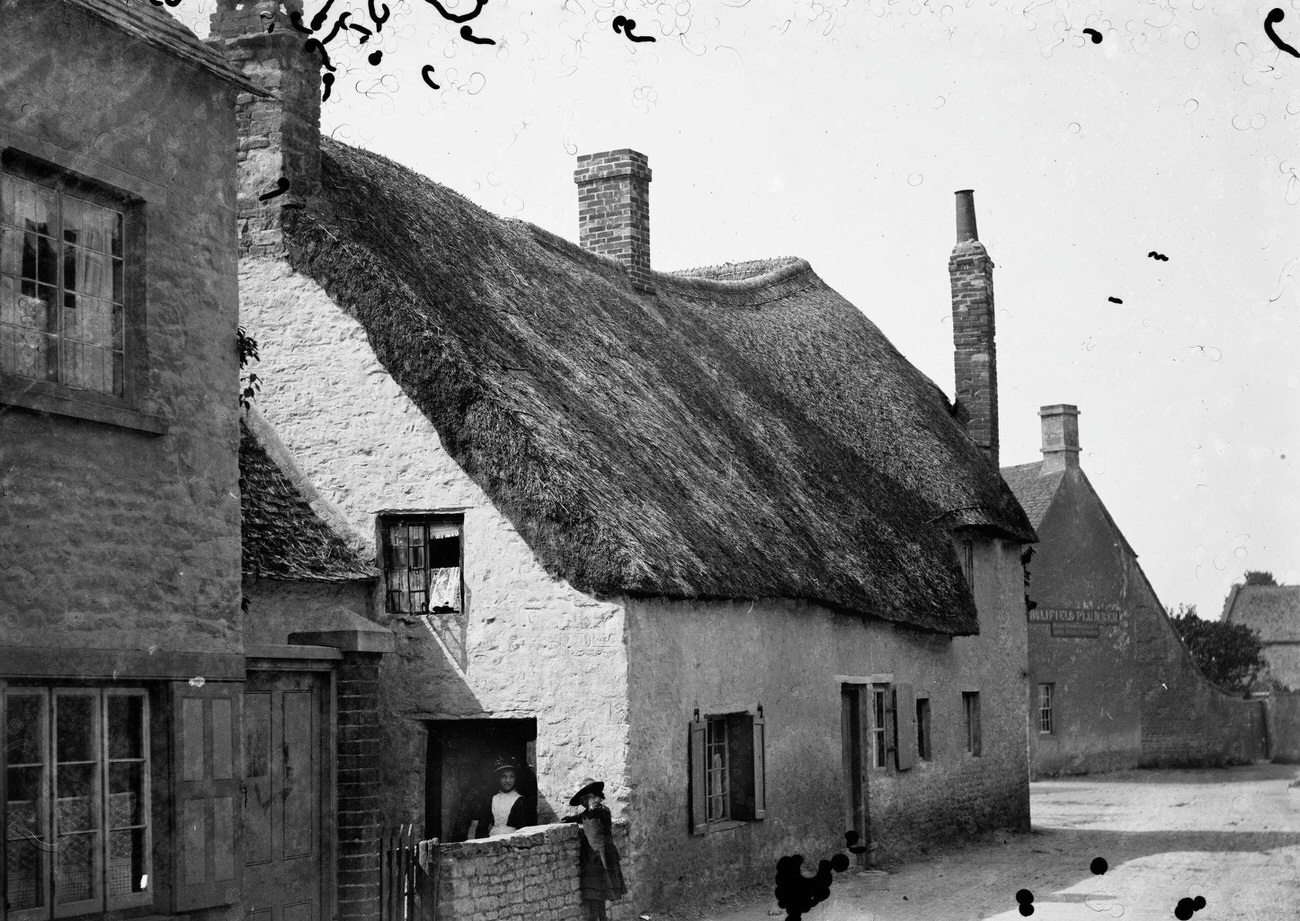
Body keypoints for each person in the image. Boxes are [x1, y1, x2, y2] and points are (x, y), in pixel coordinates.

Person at [563, 777, 626, 921]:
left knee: (601, 891)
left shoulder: (603, 811)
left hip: (603, 856)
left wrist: (595, 804)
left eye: (588, 797)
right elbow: (579, 817)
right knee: (593, 893)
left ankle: (602, 918)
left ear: (597, 797)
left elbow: (599, 811)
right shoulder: (586, 814)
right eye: (583, 800)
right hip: (591, 857)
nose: (585, 802)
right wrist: (569, 819)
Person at [467, 755, 537, 839]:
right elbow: (483, 825)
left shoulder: (520, 801)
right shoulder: (493, 799)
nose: (507, 780)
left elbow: (524, 828)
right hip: (491, 840)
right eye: (504, 776)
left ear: (515, 779)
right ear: (498, 779)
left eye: (511, 777)